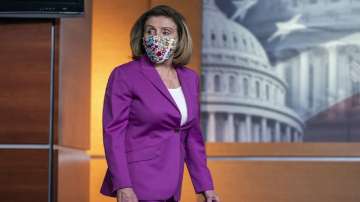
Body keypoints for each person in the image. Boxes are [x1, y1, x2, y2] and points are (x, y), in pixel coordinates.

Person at [100, 5, 221, 202]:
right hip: (138, 180)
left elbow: (191, 136)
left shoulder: (190, 78)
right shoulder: (125, 75)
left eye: (166, 32)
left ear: (179, 39)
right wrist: (123, 184)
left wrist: (205, 186)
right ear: (142, 36)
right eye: (151, 31)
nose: (157, 37)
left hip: (173, 180)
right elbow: (113, 133)